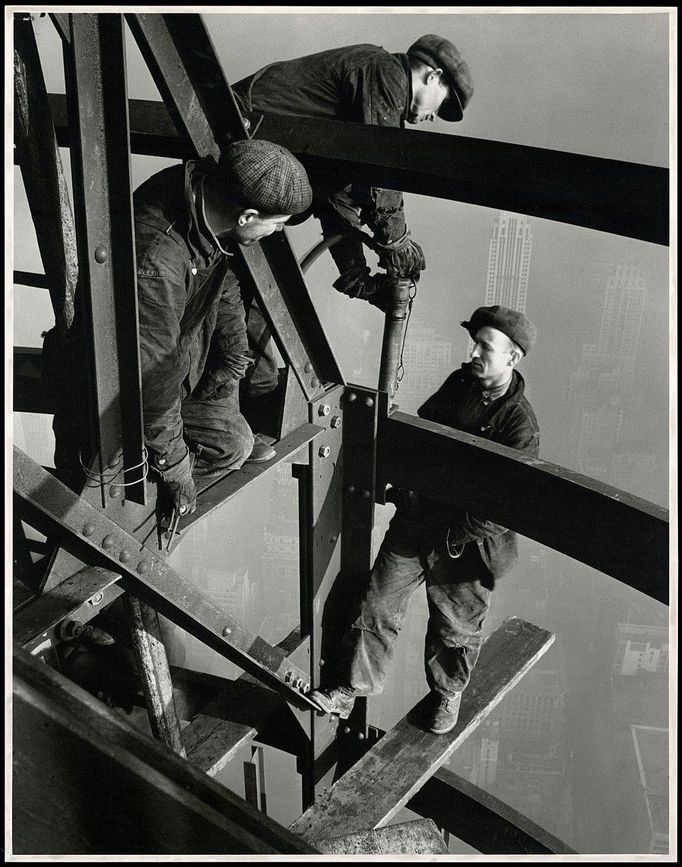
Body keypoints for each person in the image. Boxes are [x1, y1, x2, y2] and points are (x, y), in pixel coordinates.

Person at [309, 306, 540, 734]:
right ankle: (350, 688)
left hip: (466, 544)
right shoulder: (458, 384)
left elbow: (503, 507)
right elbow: (422, 434)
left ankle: (446, 695)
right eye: (474, 342)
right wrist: (407, 486)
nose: (473, 352)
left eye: (484, 347)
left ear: (512, 357)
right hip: (420, 520)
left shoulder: (519, 428)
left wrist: (453, 534)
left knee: (455, 629)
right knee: (377, 605)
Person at [51, 139, 313, 517]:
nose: (277, 233)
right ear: (247, 216)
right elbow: (151, 379)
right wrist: (175, 467)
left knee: (239, 431)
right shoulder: (157, 259)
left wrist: (234, 355)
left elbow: (223, 281)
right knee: (226, 450)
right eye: (277, 224)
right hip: (110, 394)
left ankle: (170, 462)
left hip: (166, 360)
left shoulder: (203, 197)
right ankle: (141, 505)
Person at [231, 34, 474, 406]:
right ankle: (251, 401)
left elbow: (338, 196)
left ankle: (252, 399)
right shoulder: (384, 72)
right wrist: (397, 241)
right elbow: (378, 170)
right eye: (439, 108)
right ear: (433, 76)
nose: (429, 119)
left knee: (252, 301)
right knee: (243, 299)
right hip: (246, 154)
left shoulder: (363, 103)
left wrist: (360, 279)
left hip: (257, 172)